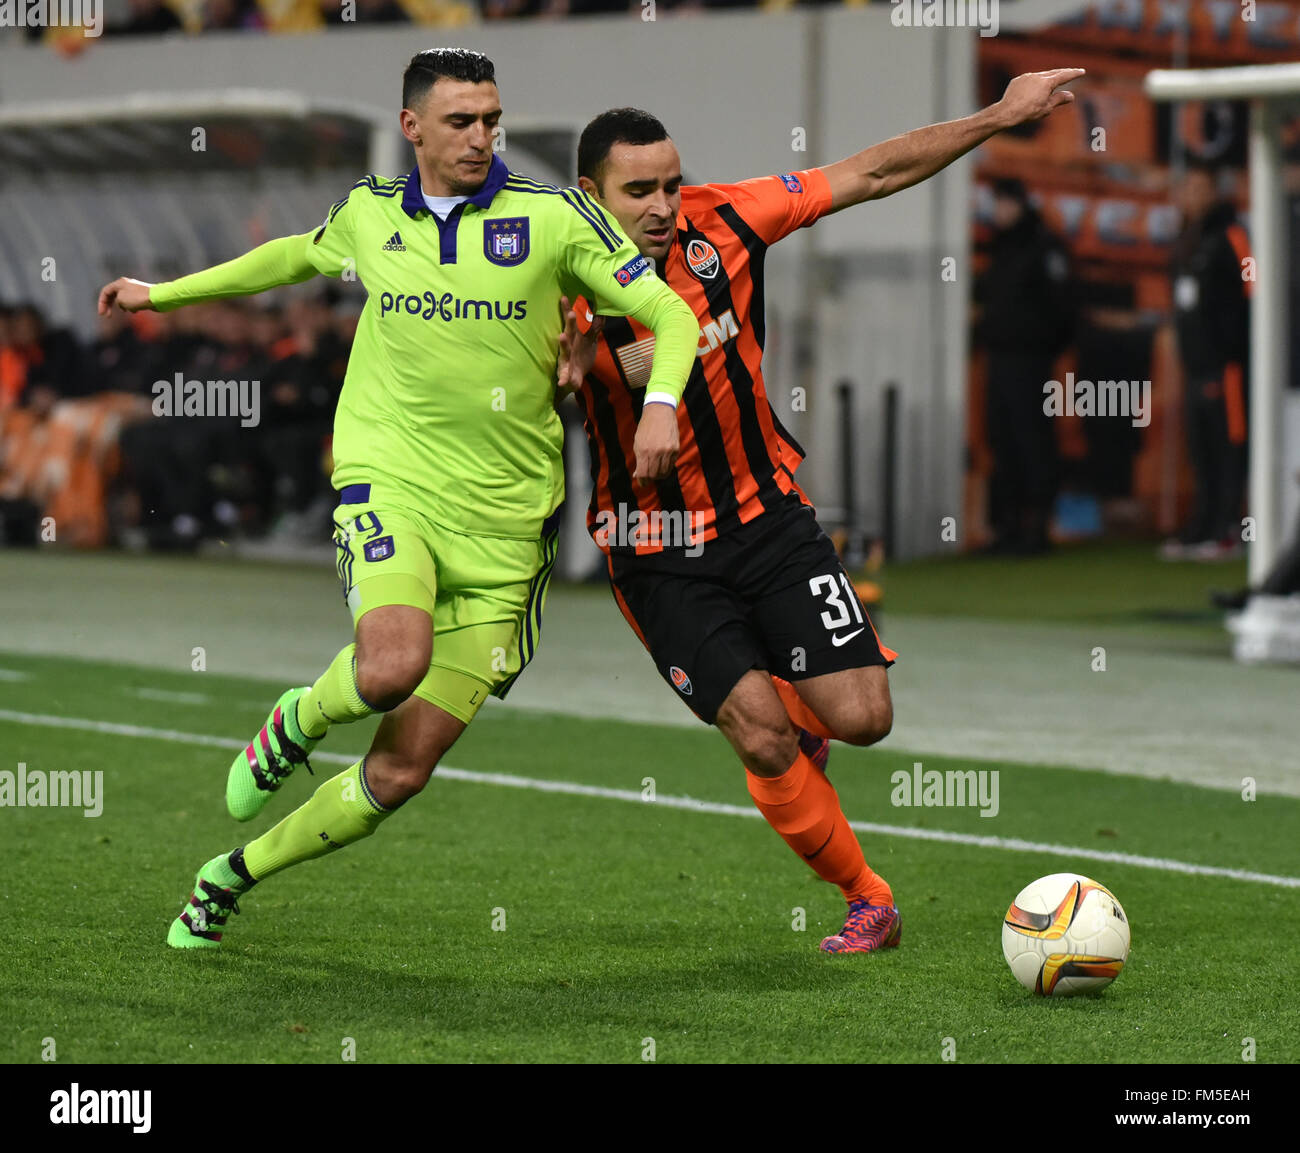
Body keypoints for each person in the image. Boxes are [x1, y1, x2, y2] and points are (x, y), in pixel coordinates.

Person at [97, 48, 699, 949]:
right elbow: (290, 258)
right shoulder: (369, 212)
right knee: (388, 666)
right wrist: (162, 294)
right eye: (461, 121)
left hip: (505, 528)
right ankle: (298, 717)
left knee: (401, 772)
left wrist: (659, 407)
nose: (481, 137)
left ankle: (229, 876)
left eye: (491, 119)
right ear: (413, 126)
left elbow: (674, 315)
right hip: (393, 479)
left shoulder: (555, 221)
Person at [557, 70, 1083, 953]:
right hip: (657, 550)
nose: (661, 205)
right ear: (590, 195)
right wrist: (549, 383)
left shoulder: (726, 221)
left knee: (863, 717)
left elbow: (870, 173)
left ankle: (804, 723)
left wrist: (1001, 115)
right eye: (637, 189)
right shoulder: (551, 282)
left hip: (769, 519)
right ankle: (868, 896)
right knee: (760, 736)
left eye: (670, 183)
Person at [974, 177, 1075, 555]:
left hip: (1031, 363)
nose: (999, 212)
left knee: (1033, 442)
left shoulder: (1045, 247)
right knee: (1002, 442)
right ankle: (1007, 527)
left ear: (1020, 204)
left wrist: (1041, 347)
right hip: (999, 361)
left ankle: (1037, 527)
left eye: (1005, 204)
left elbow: (1064, 308)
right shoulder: (999, 248)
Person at [1163, 158, 1252, 561]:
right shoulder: (1189, 238)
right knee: (1201, 451)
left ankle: (1228, 530)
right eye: (1188, 189)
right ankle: (1203, 526)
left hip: (1228, 367)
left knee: (1229, 448)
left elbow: (1252, 294)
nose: (1193, 196)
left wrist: (1230, 353)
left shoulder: (1234, 235)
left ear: (1215, 190)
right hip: (1195, 367)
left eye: (1200, 188)